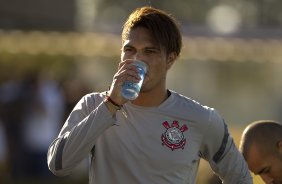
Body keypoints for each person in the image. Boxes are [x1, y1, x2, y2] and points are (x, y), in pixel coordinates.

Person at [47, 6, 252, 184]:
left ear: (170, 60)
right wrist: (111, 104)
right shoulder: (94, 105)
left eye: (150, 51)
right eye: (130, 50)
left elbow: (240, 178)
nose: (137, 59)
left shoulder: (201, 118)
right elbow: (59, 165)